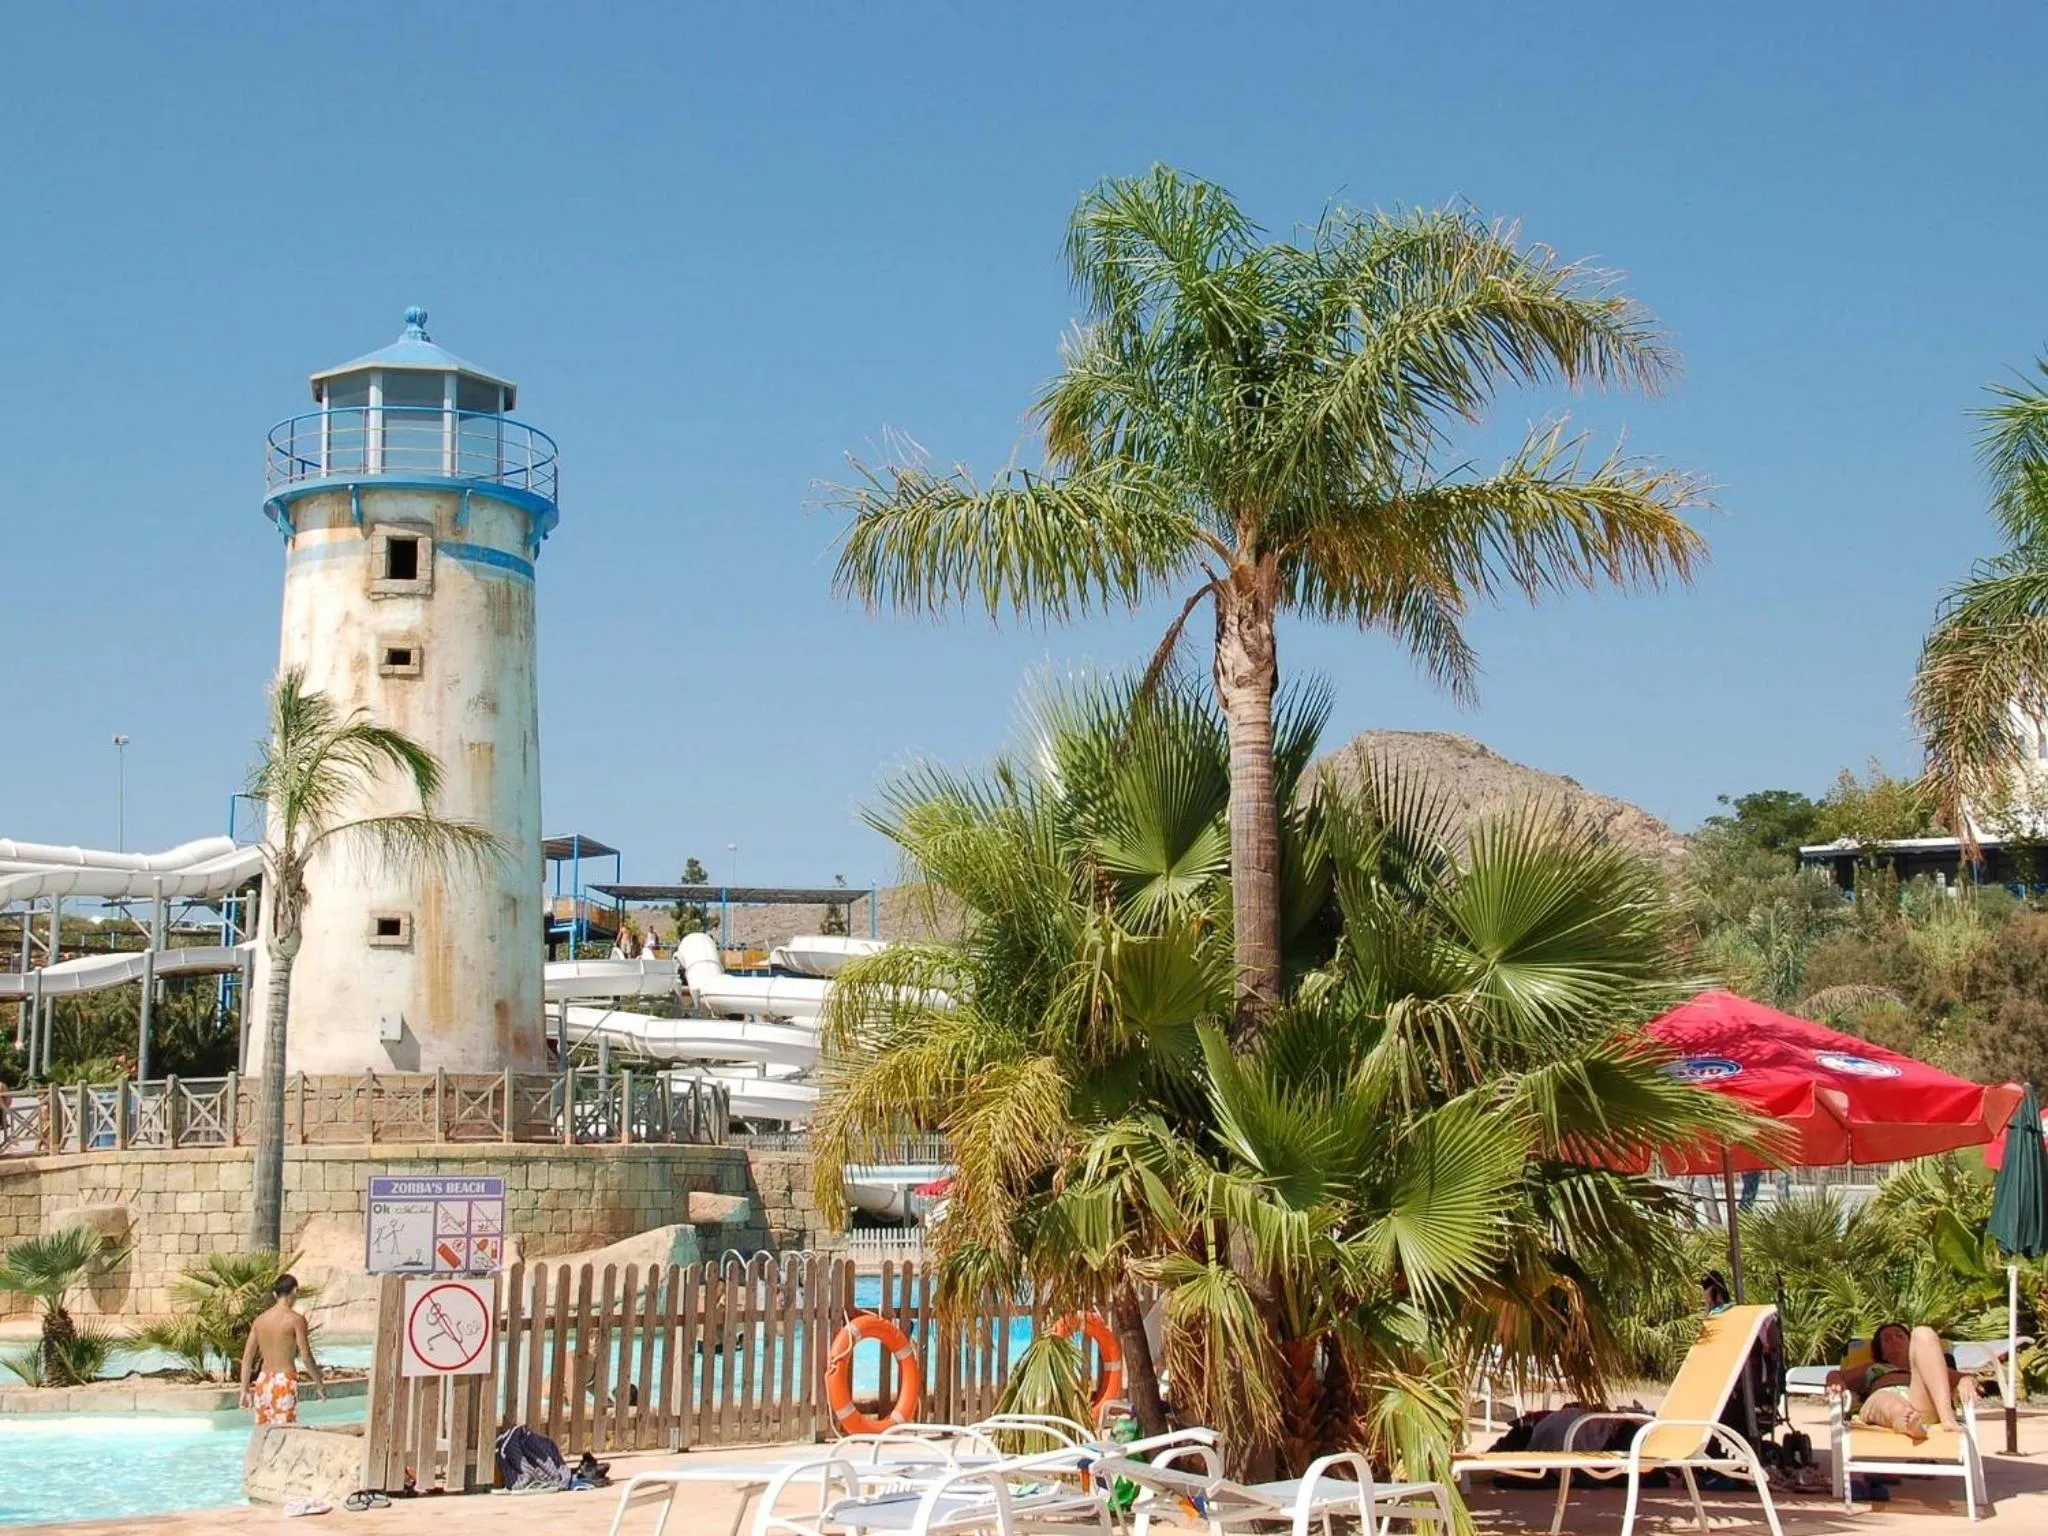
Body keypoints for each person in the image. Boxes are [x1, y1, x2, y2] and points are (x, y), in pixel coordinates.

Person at [1835, 1321, 1980, 1442]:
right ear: (1881, 1349)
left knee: (1923, 1332)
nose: (1894, 1340)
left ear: (1911, 1344)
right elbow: (1837, 1375)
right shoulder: (1873, 1367)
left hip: (1919, 1403)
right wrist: (1835, 1382)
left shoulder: (1929, 1368)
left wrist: (1966, 1380)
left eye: (1899, 1336)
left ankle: (1946, 1419)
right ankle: (1905, 1420)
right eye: (1887, 1339)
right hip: (1883, 1396)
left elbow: (1968, 1378)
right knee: (1888, 1401)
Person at [239, 1273, 326, 1427]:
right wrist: (318, 1383)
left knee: (264, 1434)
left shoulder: (260, 1320)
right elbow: (305, 1356)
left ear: (275, 1294)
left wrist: (244, 1390)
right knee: (285, 1432)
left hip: (263, 1381)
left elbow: (247, 1358)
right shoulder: (296, 1320)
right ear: (295, 1291)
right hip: (284, 1382)